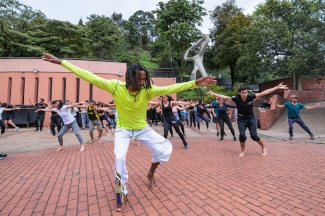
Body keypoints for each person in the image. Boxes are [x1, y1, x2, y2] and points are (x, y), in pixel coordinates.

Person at [41, 52, 215, 212]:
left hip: (142, 128)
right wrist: (61, 62)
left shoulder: (148, 90)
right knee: (119, 158)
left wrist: (196, 83)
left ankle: (151, 173)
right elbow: (88, 76)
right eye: (139, 80)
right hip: (123, 129)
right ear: (130, 77)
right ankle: (122, 191)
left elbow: (172, 89)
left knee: (163, 150)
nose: (141, 83)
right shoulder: (116, 87)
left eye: (143, 80)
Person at [208, 83, 288, 157]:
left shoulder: (251, 97)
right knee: (242, 136)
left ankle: (264, 147)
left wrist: (277, 87)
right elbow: (225, 97)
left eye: (246, 92)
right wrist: (214, 94)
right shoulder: (236, 98)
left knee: (254, 136)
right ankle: (243, 151)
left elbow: (264, 93)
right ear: (240, 93)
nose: (245, 94)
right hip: (241, 119)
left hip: (251, 119)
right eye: (243, 92)